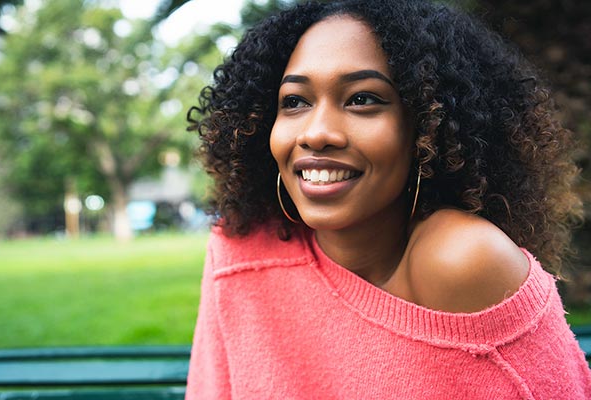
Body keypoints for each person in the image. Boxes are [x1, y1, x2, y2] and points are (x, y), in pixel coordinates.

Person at [185, 0, 591, 398]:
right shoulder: (241, 248)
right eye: (295, 102)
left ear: (428, 126)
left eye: (362, 99)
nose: (316, 132)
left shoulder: (462, 260)